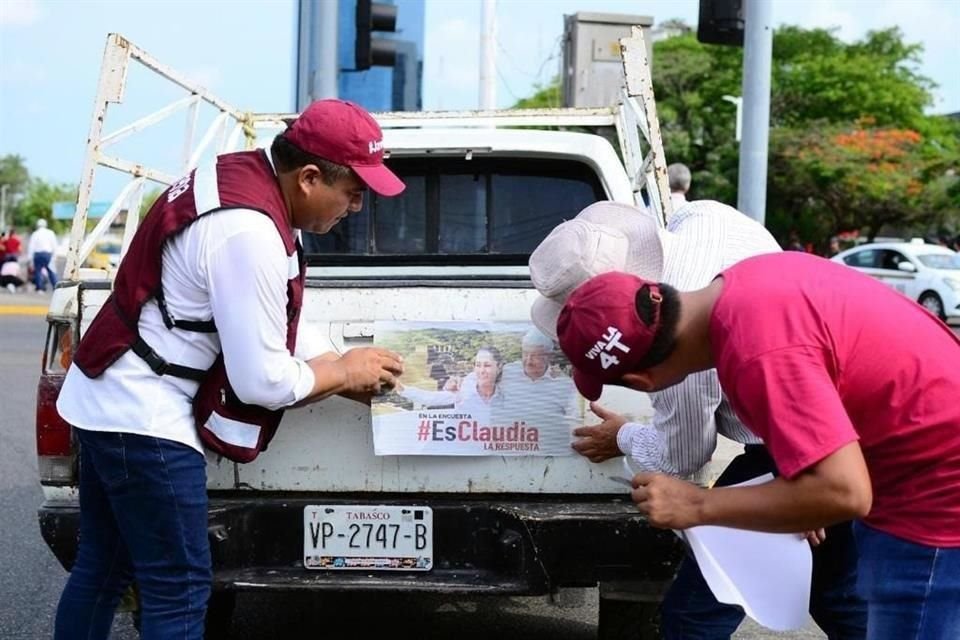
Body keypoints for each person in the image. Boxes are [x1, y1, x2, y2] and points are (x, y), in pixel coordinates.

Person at [54, 99, 407, 640]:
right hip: (143, 415)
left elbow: (274, 313)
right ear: (309, 178)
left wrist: (338, 367)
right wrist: (341, 375)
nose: (358, 206)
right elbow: (261, 381)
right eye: (355, 191)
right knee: (180, 586)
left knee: (103, 569)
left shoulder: (248, 177)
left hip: (106, 393)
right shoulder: (248, 232)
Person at [555, 252, 960, 639]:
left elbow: (844, 491)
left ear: (643, 381)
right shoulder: (748, 282)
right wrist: (800, 490)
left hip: (935, 499)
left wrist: (694, 506)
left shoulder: (754, 355)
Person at [529, 200, 866, 639]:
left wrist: (625, 435)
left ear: (641, 376)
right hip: (822, 429)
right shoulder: (706, 216)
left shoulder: (672, 349)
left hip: (810, 442)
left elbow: (682, 462)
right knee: (838, 593)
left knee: (694, 616)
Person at [397, 345, 506, 416]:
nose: (482, 370)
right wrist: (402, 389)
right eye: (478, 365)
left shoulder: (506, 393)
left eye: (487, 365)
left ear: (499, 366)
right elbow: (431, 398)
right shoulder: (465, 389)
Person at [27, 218, 59, 291]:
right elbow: (55, 245)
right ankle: (56, 288)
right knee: (51, 271)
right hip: (47, 255)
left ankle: (39, 288)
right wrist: (55, 256)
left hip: (38, 255)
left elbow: (31, 247)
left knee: (38, 272)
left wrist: (30, 259)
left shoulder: (35, 233)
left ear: (37, 225)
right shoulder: (50, 233)